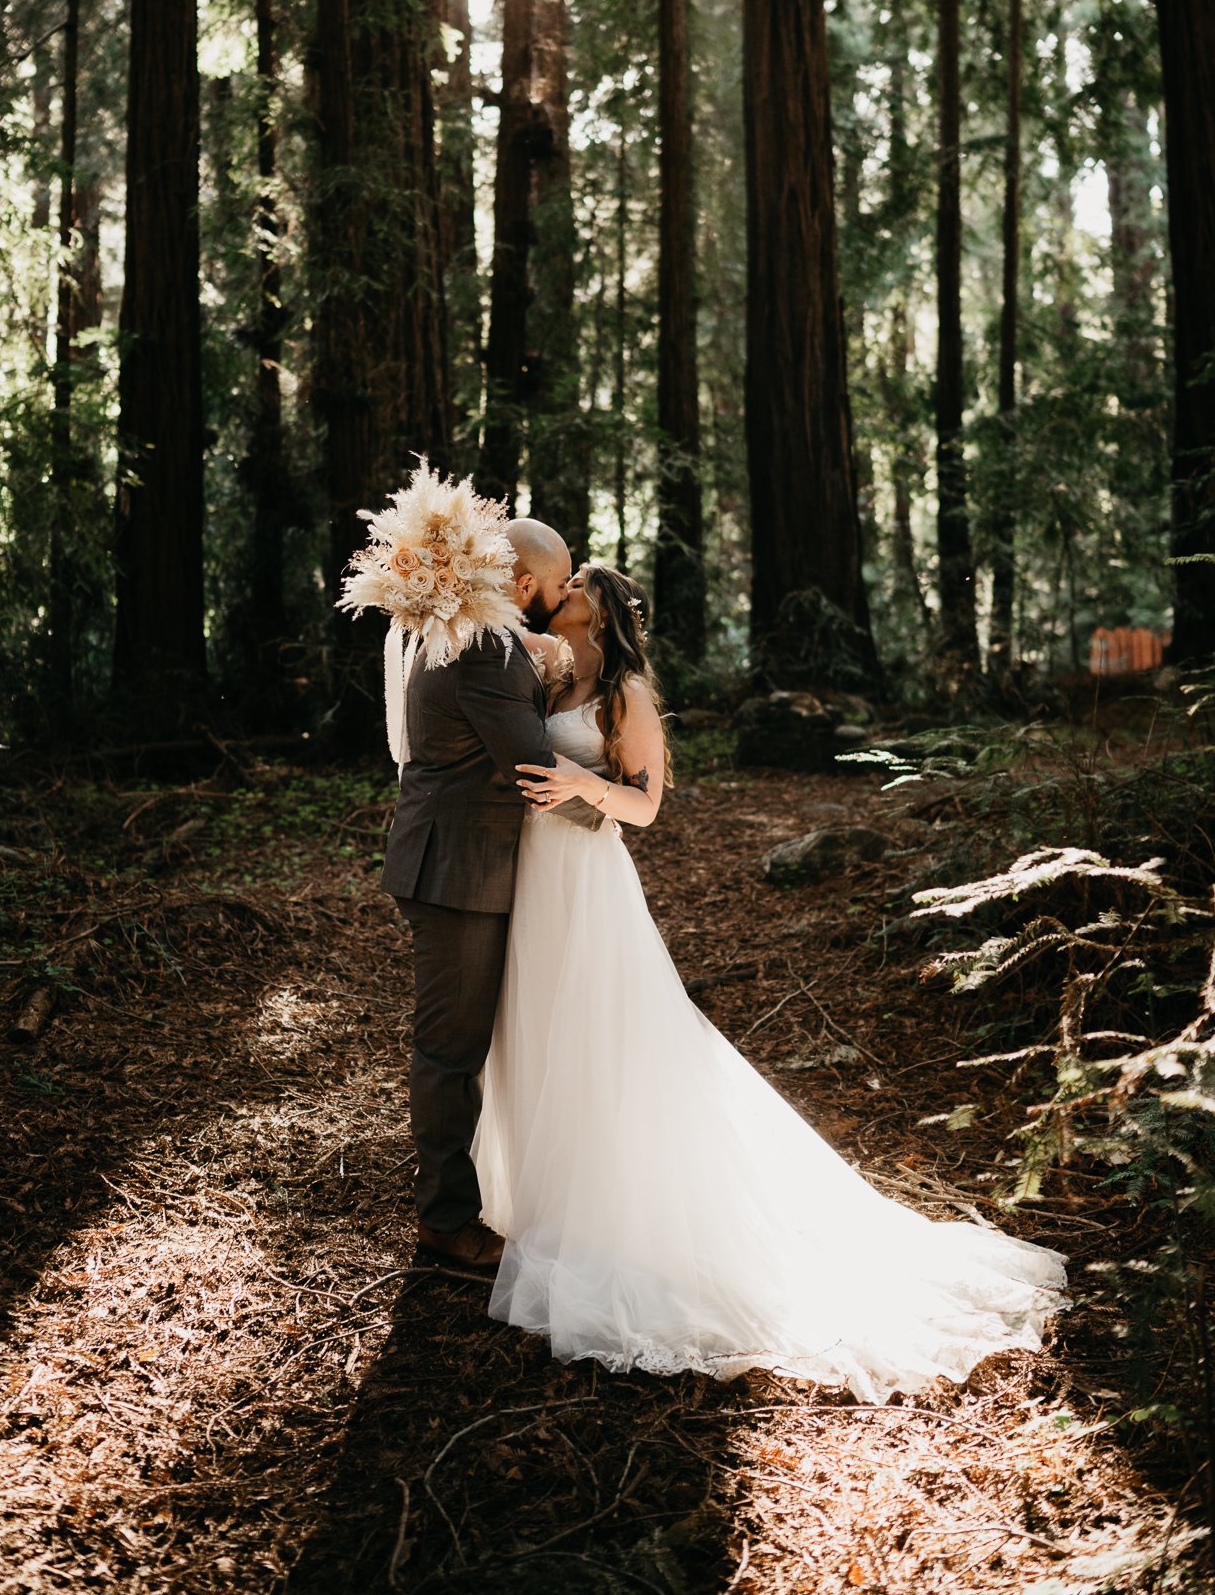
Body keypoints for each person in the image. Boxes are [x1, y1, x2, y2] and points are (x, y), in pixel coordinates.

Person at [470, 563, 1067, 1400]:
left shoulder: (626, 696)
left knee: (605, 1035)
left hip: (585, 879)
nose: (556, 589)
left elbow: (644, 808)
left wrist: (580, 783)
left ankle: (611, 1216)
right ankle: (540, 1204)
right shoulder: (544, 675)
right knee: (536, 1027)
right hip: (529, 875)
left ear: (599, 612)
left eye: (572, 586)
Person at [380, 519, 607, 1275]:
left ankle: (473, 1196)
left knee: (469, 1045)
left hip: (470, 864)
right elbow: (536, 771)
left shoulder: (484, 640)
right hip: (457, 872)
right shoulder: (485, 649)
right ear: (519, 588)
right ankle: (444, 1220)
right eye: (554, 585)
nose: (559, 598)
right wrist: (621, 816)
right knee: (449, 1052)